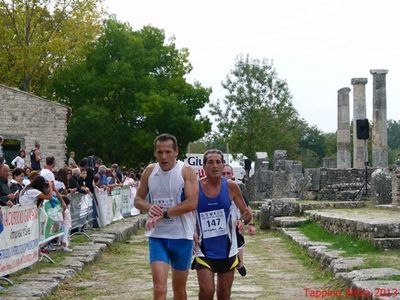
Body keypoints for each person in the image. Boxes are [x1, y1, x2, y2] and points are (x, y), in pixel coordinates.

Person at [134, 133, 198, 300]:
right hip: (158, 236)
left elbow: (192, 203)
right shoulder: (150, 171)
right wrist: (150, 207)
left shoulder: (186, 171)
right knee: (159, 288)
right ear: (155, 153)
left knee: (179, 289)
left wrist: (164, 213)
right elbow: (137, 200)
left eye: (168, 151)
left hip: (182, 237)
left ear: (176, 152)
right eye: (160, 152)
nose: (164, 156)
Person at [192, 149, 252, 300]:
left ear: (223, 164)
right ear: (204, 167)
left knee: (224, 294)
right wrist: (190, 232)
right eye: (210, 162)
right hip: (204, 249)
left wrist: (242, 221)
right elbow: (186, 213)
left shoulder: (231, 186)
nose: (215, 165)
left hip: (228, 249)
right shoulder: (195, 188)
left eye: (218, 162)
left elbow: (247, 212)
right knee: (207, 291)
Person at [222, 164, 256, 277]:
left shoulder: (236, 190)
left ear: (232, 175)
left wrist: (251, 224)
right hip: (219, 226)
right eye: (223, 173)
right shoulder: (211, 190)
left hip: (234, 223)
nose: (226, 175)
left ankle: (240, 264)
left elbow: (247, 209)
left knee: (239, 243)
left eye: (228, 173)